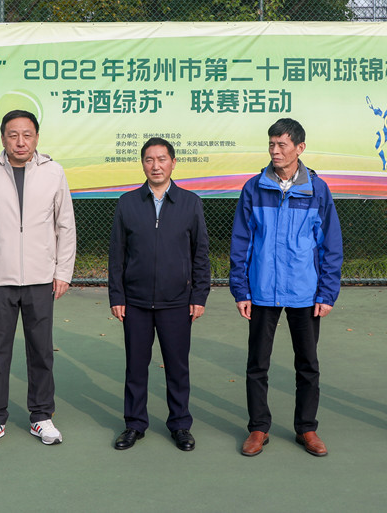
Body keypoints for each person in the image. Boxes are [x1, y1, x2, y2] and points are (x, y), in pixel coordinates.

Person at [229, 118, 343, 457]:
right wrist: (241, 290)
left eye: (282, 145)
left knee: (307, 365)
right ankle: (258, 428)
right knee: (257, 364)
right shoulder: (254, 188)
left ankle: (307, 428)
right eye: (271, 144)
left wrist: (326, 292)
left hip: (305, 292)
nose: (275, 151)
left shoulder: (318, 190)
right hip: (262, 289)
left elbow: (330, 245)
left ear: (300, 148)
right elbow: (241, 241)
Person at [0, 109, 76, 449]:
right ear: (3, 138)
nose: (20, 141)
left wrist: (62, 272)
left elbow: (65, 225)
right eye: (13, 135)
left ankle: (41, 416)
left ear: (37, 137)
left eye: (27, 134)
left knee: (41, 351)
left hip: (42, 278)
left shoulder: (54, 172)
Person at [108, 137, 210, 452]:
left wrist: (199, 295)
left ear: (173, 163)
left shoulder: (190, 203)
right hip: (135, 303)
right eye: (149, 159)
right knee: (135, 368)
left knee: (177, 368)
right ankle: (134, 424)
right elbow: (117, 254)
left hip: (177, 302)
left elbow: (200, 253)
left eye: (162, 159)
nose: (156, 166)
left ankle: (180, 425)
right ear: (143, 164)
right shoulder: (127, 203)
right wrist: (117, 296)